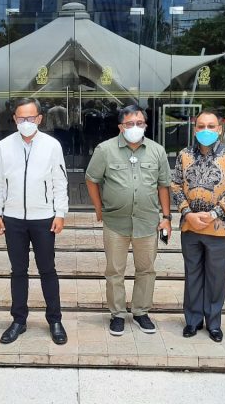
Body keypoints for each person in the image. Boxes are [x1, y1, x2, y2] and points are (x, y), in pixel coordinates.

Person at [85, 104, 172, 336]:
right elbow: (91, 179)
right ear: (121, 127)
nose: (136, 127)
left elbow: (164, 185)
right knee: (115, 270)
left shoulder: (157, 151)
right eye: (130, 124)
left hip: (147, 222)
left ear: (145, 125)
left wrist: (166, 217)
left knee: (146, 269)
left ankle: (141, 312)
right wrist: (98, 209)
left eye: (140, 123)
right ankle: (118, 314)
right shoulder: (105, 150)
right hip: (116, 222)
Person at [0, 97, 69, 345]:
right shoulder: (2, 147)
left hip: (44, 218)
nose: (26, 122)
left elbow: (60, 181)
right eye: (21, 118)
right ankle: (18, 321)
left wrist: (60, 213)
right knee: (18, 271)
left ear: (39, 119)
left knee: (48, 270)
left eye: (31, 118)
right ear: (14, 119)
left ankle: (54, 320)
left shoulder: (52, 145)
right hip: (13, 219)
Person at [171, 110, 225, 342]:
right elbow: (175, 186)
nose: (205, 131)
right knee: (192, 275)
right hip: (190, 228)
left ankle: (214, 323)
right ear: (194, 130)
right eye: (201, 126)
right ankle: (192, 321)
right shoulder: (184, 155)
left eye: (211, 126)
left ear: (219, 130)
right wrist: (187, 213)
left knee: (216, 278)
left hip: (219, 228)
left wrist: (214, 213)